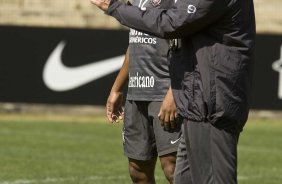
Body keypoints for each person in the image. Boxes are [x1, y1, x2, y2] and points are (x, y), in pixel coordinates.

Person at [91, 0, 256, 183]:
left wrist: (115, 7)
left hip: (209, 101)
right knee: (183, 178)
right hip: (195, 100)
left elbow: (172, 24)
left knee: (188, 172)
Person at [105, 1, 182, 183]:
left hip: (164, 94)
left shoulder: (178, 2)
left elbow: (187, 49)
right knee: (137, 170)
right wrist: (116, 89)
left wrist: (175, 92)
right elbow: (133, 46)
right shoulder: (134, 1)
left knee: (173, 167)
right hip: (136, 93)